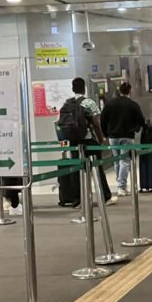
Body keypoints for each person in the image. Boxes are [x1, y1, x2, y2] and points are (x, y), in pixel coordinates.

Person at [58, 77, 114, 207]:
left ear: (72, 89)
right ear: (84, 88)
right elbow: (95, 122)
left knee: (77, 170)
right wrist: (101, 139)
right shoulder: (89, 103)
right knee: (97, 168)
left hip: (74, 142)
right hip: (89, 140)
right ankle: (105, 196)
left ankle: (78, 199)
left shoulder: (66, 104)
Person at [101, 81, 146, 197]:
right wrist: (136, 129)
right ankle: (122, 186)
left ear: (119, 91)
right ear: (129, 91)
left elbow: (103, 118)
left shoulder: (110, 104)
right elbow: (141, 120)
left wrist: (105, 133)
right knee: (125, 161)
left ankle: (120, 184)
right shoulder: (132, 104)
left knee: (117, 161)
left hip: (113, 136)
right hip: (127, 136)